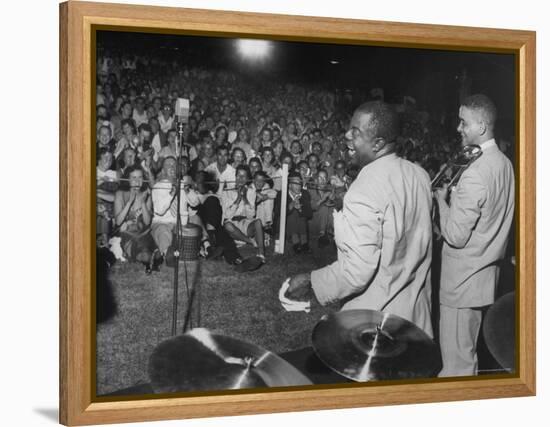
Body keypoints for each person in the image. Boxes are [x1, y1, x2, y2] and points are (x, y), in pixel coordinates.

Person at [286, 101, 434, 338]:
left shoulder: (364, 188)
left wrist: (311, 281)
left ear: (378, 144)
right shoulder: (420, 174)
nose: (346, 135)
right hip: (415, 318)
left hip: (375, 324)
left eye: (356, 132)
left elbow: (357, 272)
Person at [434, 94, 515, 377]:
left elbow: (455, 235)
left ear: (481, 126)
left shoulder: (476, 173)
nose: (458, 128)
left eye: (463, 122)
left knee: (457, 368)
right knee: (468, 357)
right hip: (483, 279)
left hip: (461, 283)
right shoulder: (504, 164)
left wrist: (442, 201)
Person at [221, 165, 266, 262]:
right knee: (227, 225)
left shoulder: (251, 191)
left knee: (258, 221)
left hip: (245, 224)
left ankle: (261, 254)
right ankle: (250, 241)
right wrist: (238, 199)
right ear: (235, 176)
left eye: (244, 176)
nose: (240, 179)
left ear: (247, 179)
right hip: (233, 226)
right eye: (238, 175)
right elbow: (227, 216)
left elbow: (251, 215)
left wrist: (245, 197)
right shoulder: (227, 191)